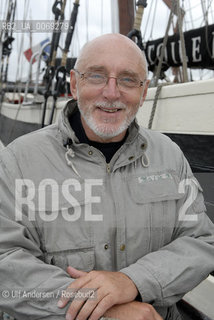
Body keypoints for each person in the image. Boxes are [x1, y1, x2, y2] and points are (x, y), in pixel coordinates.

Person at [0, 33, 214, 320]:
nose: (111, 93)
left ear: (144, 90)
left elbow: (201, 239)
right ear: (75, 84)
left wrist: (133, 281)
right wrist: (102, 310)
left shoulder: (169, 156)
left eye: (127, 79)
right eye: (97, 76)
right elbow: (5, 259)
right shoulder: (19, 161)